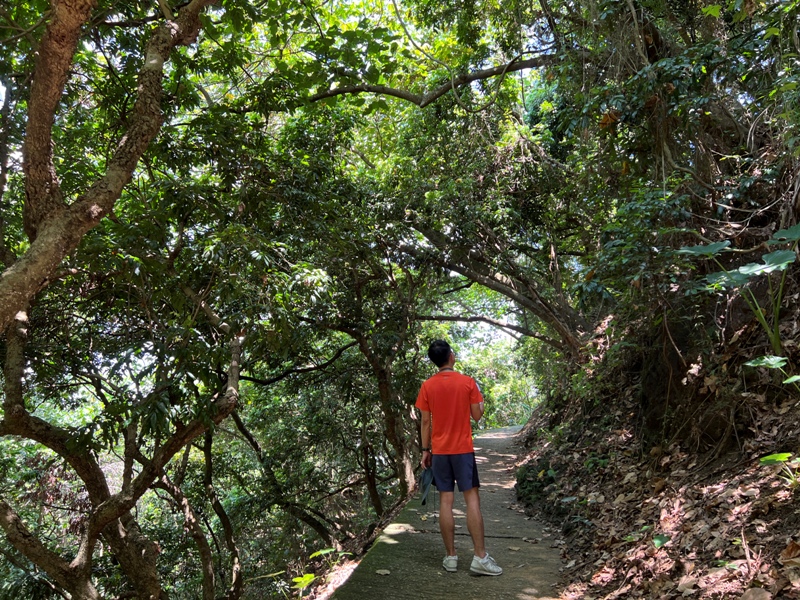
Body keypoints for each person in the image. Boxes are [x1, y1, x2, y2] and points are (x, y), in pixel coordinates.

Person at [415, 340, 503, 576]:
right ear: (451, 356)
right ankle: (480, 557)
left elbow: (425, 421)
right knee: (472, 499)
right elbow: (477, 416)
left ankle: (451, 557)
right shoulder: (467, 382)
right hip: (463, 450)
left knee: (446, 501)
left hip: (440, 452)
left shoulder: (427, 386)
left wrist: (425, 450)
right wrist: (480, 403)